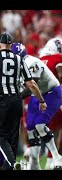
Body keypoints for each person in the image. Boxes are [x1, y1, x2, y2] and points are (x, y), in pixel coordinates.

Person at [11, 42, 62, 170]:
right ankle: (34, 163)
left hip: (51, 92)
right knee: (30, 128)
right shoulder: (18, 65)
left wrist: (14, 98)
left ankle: (57, 157)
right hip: (38, 95)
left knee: (40, 125)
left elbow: (31, 86)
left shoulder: (31, 62)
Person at [0, 33, 46, 170]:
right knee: (13, 137)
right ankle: (11, 166)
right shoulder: (19, 59)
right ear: (11, 45)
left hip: (2, 100)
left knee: (1, 136)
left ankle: (12, 163)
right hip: (16, 100)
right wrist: (41, 100)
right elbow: (31, 84)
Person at [38, 37, 62, 169]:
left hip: (40, 97)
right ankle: (54, 162)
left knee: (46, 128)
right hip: (53, 96)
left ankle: (46, 161)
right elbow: (61, 74)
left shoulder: (40, 59)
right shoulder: (58, 58)